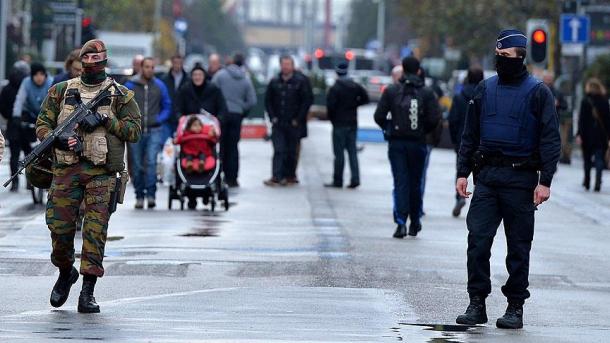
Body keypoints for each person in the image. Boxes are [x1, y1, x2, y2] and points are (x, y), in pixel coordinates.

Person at [455, 30, 560, 329]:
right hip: (487, 178)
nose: (500, 61)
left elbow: (550, 140)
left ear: (520, 57)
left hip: (520, 179)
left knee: (518, 247)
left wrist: (545, 180)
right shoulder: (484, 90)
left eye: (506, 57)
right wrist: (463, 172)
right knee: (477, 242)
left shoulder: (538, 92)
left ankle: (515, 306)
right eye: (498, 57)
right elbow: (469, 135)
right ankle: (477, 303)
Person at [36, 39, 141, 313]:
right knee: (59, 230)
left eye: (98, 64)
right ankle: (65, 271)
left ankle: (87, 291)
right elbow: (43, 124)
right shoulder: (61, 91)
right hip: (66, 171)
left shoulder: (120, 96)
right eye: (88, 64)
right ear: (80, 64)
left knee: (95, 233)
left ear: (105, 65)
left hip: (101, 174)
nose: (92, 69)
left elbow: (135, 132)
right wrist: (56, 140)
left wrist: (107, 121)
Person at [373, 56, 441, 238]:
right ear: (419, 71)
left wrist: (389, 128)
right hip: (418, 143)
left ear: (402, 70)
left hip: (397, 143)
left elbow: (379, 115)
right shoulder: (427, 93)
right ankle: (415, 221)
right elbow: (435, 119)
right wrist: (421, 131)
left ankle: (401, 222)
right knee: (415, 182)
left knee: (400, 181)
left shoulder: (392, 91)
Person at [175, 63, 228, 209]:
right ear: (191, 77)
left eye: (200, 75)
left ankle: (208, 191)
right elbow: (178, 108)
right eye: (195, 75)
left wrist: (217, 123)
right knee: (185, 156)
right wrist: (181, 119)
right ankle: (190, 195)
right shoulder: (185, 89)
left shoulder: (214, 90)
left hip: (208, 132)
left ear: (204, 76)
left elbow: (223, 110)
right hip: (189, 130)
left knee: (214, 157)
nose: (197, 77)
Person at [125, 57, 172, 209]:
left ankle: (151, 195)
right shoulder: (131, 85)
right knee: (137, 165)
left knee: (151, 162)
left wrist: (159, 118)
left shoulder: (160, 86)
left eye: (152, 67)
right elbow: (122, 105)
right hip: (136, 131)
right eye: (147, 67)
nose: (149, 70)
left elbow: (167, 105)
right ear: (141, 68)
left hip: (154, 130)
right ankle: (139, 196)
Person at [263, 55, 313, 186]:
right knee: (278, 150)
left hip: (294, 123)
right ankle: (276, 176)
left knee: (291, 151)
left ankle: (290, 175)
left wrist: (299, 118)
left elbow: (306, 101)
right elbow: (268, 101)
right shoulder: (274, 81)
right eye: (283, 64)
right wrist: (272, 117)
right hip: (278, 122)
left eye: (288, 64)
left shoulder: (300, 81)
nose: (286, 67)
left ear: (292, 65)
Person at [212, 53, 257, 187]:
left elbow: (212, 91)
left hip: (222, 115)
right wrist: (241, 108)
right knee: (233, 148)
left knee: (220, 147)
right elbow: (252, 100)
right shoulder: (245, 79)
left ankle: (217, 175)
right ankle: (232, 178)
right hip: (236, 115)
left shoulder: (220, 75)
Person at [324, 61, 369, 188]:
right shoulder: (355, 86)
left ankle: (338, 180)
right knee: (352, 152)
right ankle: (355, 179)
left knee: (339, 154)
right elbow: (366, 98)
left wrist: (332, 118)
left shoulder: (335, 88)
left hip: (339, 123)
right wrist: (354, 105)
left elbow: (330, 107)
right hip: (352, 122)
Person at [11, 62, 53, 191]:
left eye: (42, 74)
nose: (39, 77)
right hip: (30, 115)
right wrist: (16, 116)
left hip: (46, 115)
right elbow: (19, 99)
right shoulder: (26, 83)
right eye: (36, 75)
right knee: (25, 145)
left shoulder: (51, 82)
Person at [448, 67, 484, 217]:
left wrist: (455, 140)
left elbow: (452, 120)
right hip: (482, 143)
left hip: (463, 141)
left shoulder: (458, 97)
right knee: (482, 174)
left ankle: (459, 197)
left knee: (461, 170)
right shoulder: (485, 96)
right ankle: (479, 201)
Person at [576, 78, 610, 192]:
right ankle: (598, 181)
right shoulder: (604, 101)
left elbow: (581, 120)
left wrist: (579, 134)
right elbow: (608, 121)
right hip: (600, 136)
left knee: (587, 160)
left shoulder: (585, 101)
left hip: (587, 136)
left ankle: (587, 181)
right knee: (599, 159)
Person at [0, 67, 27, 191]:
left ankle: (14, 182)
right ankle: (30, 182)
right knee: (29, 154)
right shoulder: (26, 87)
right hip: (25, 124)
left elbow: (2, 108)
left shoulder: (6, 89)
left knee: (14, 156)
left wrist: (10, 116)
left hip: (12, 125)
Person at [542, 71, 571, 164]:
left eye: (550, 78)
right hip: (540, 121)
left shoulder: (557, 92)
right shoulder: (538, 89)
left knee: (552, 141)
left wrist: (558, 104)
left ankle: (551, 159)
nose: (548, 80)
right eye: (546, 78)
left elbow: (565, 105)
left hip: (554, 121)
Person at [162, 54, 190, 136]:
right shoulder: (164, 79)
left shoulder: (188, 79)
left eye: (179, 63)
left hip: (183, 117)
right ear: (172, 63)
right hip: (167, 118)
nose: (177, 65)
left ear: (182, 63)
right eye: (175, 62)